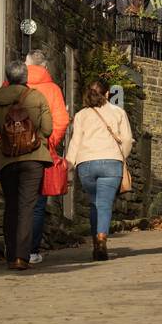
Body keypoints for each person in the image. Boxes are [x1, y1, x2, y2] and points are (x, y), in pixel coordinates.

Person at [0, 61, 54, 270]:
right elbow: (49, 129)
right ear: (25, 77)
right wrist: (36, 140)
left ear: (8, 77)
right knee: (27, 207)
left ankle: (11, 255)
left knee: (11, 207)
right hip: (33, 160)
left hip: (6, 160)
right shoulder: (37, 97)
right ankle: (21, 258)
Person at [65, 79, 133, 261]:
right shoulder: (118, 112)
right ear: (107, 94)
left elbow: (75, 142)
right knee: (104, 204)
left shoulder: (81, 115)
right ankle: (102, 240)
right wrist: (121, 156)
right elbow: (127, 140)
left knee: (95, 203)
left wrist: (69, 166)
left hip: (86, 164)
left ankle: (96, 243)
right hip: (111, 162)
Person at [24, 49, 70, 264]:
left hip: (13, 153)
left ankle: (14, 250)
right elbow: (61, 121)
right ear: (45, 67)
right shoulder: (52, 89)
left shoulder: (12, 85)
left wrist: (6, 143)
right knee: (37, 205)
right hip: (41, 153)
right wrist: (49, 143)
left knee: (17, 202)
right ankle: (31, 252)